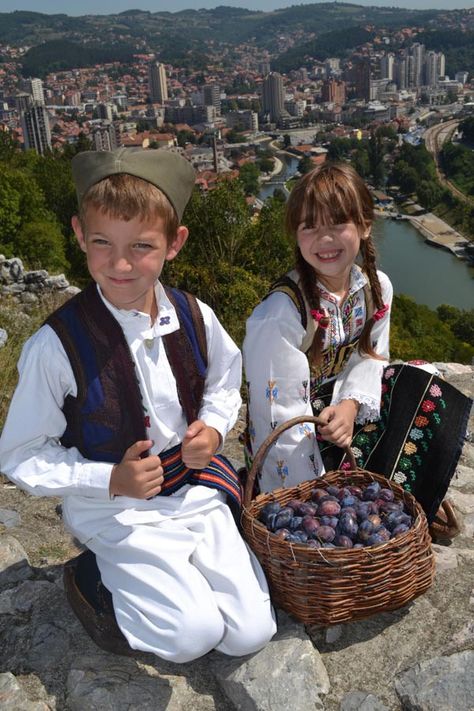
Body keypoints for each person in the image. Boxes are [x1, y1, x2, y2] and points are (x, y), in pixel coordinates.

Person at [0, 147, 276, 662]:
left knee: (250, 632)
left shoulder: (193, 315)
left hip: (193, 488)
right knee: (188, 638)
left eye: (142, 246)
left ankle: (168, 577)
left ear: (175, 244)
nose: (120, 263)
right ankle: (92, 578)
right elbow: (20, 455)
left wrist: (213, 430)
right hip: (116, 507)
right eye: (102, 242)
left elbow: (224, 378)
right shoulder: (56, 345)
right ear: (79, 234)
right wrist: (108, 480)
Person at [243, 162, 471, 528]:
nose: (325, 239)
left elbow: (371, 357)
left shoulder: (374, 287)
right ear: (296, 235)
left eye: (337, 224)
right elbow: (278, 415)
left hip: (338, 414)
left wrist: (349, 406)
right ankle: (370, 508)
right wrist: (311, 505)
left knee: (422, 378)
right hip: (299, 435)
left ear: (364, 226)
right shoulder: (281, 314)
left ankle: (410, 497)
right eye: (310, 226)